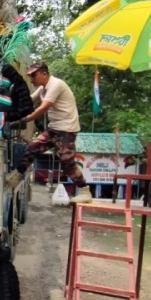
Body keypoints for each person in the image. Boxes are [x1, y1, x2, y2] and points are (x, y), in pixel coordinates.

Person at [9, 62, 92, 204]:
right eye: (30, 76)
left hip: (66, 129)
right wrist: (11, 107)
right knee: (32, 148)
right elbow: (29, 101)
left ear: (44, 74)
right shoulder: (42, 88)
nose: (32, 79)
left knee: (67, 162)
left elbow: (42, 108)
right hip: (54, 129)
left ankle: (85, 192)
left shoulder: (56, 85)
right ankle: (17, 176)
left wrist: (23, 121)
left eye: (34, 75)